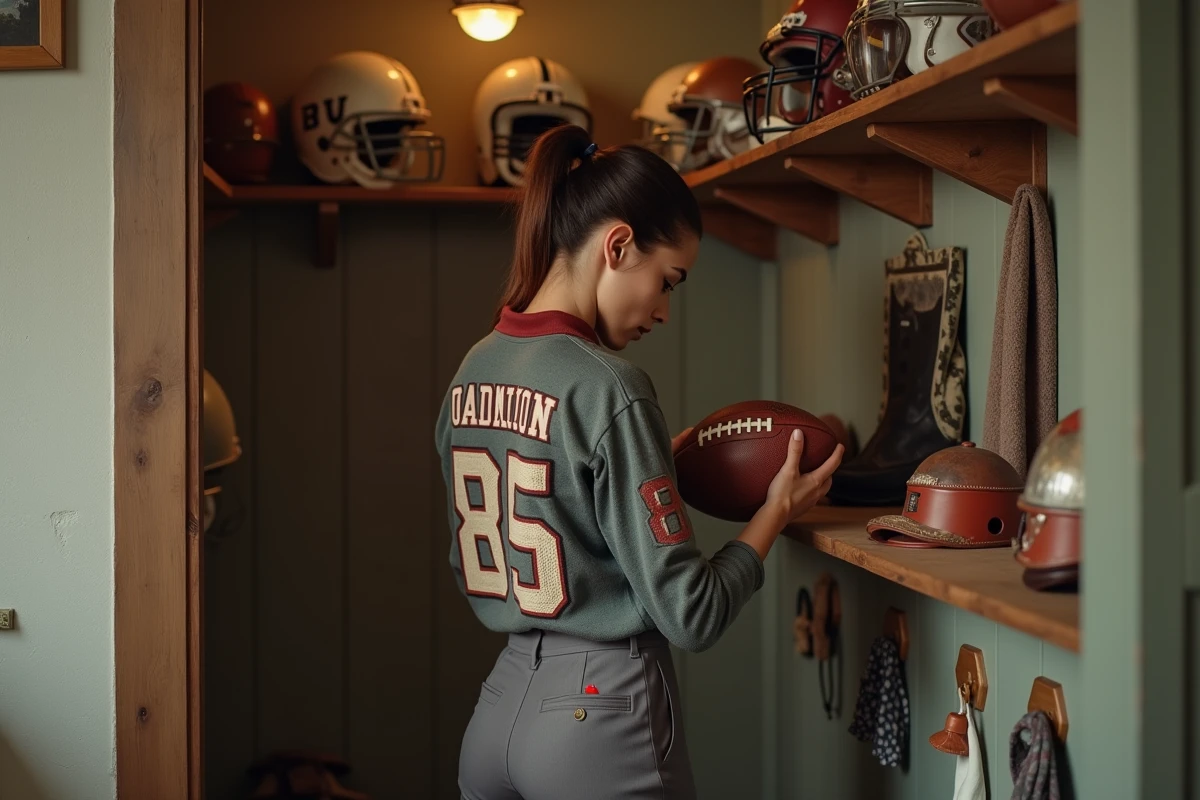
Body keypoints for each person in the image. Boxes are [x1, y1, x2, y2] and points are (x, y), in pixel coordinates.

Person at [434, 123, 844, 800]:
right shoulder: (610, 386)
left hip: (500, 705)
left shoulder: (474, 368)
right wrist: (773, 514)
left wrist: (638, 471)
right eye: (668, 280)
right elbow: (693, 614)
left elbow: (491, 546)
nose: (663, 309)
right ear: (618, 245)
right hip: (597, 714)